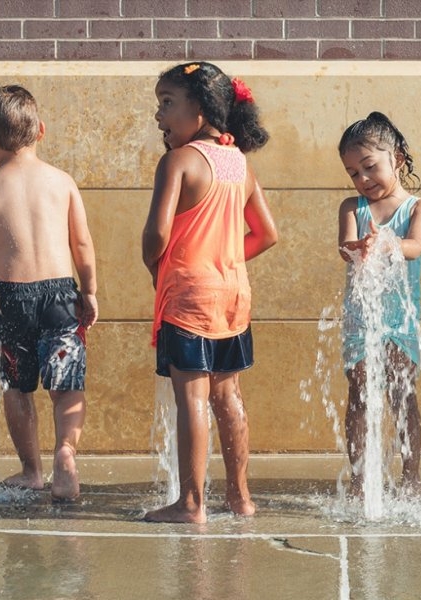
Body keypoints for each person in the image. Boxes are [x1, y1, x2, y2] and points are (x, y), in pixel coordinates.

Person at [141, 62, 278, 524]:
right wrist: (224, 257)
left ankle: (190, 503)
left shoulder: (178, 161)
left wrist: (154, 262)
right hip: (233, 294)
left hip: (189, 295)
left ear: (198, 109)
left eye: (166, 103)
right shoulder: (239, 162)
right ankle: (241, 497)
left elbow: (157, 236)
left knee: (193, 400)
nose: (158, 116)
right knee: (229, 396)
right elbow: (266, 234)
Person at [0, 85, 98, 501]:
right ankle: (65, 452)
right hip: (60, 297)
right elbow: (82, 245)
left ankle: (31, 470)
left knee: (17, 388)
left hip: (11, 299)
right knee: (67, 385)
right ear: (41, 130)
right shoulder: (61, 182)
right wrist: (89, 292)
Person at [337, 112, 421, 496]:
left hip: (400, 318)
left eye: (369, 167)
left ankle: (411, 478)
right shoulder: (351, 207)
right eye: (353, 172)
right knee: (359, 394)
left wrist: (386, 243)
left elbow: (415, 246)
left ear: (398, 160)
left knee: (402, 393)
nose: (362, 180)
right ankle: (360, 480)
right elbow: (345, 247)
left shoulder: (418, 208)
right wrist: (356, 247)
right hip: (362, 317)